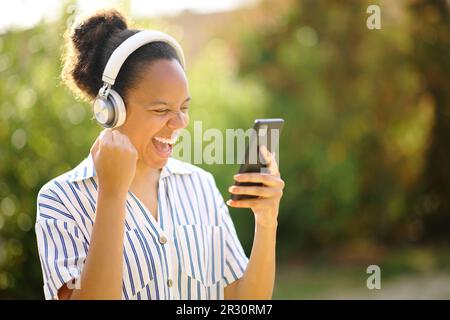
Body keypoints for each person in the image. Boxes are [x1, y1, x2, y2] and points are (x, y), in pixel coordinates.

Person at [35, 9, 285, 300]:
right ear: (110, 111)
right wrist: (112, 195)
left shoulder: (199, 185)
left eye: (184, 108)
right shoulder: (60, 199)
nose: (179, 123)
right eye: (161, 110)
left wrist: (267, 222)